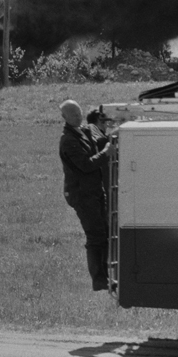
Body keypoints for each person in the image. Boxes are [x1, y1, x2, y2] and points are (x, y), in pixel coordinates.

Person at [59, 99, 112, 291]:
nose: (78, 117)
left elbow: (103, 138)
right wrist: (106, 153)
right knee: (96, 236)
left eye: (79, 113)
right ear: (64, 117)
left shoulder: (84, 130)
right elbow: (86, 165)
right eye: (73, 115)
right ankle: (99, 280)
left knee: (105, 233)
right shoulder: (68, 141)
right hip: (82, 195)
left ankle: (107, 275)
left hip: (95, 191)